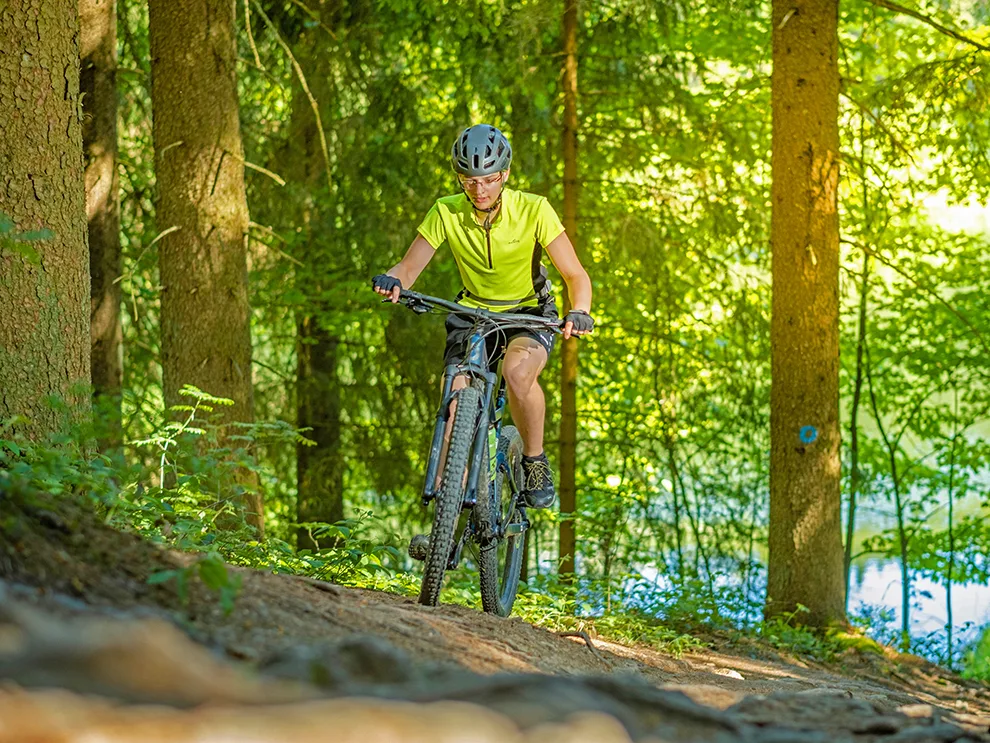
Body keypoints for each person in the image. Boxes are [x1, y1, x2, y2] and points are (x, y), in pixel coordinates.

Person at [372, 124, 593, 510]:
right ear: (460, 179)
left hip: (528, 313)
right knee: (456, 394)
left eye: (489, 179)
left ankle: (534, 460)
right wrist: (393, 280)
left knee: (519, 374)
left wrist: (581, 311)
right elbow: (409, 267)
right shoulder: (446, 211)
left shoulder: (534, 209)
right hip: (472, 312)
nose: (479, 190)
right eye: (469, 181)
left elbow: (575, 274)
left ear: (505, 175)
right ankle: (444, 505)